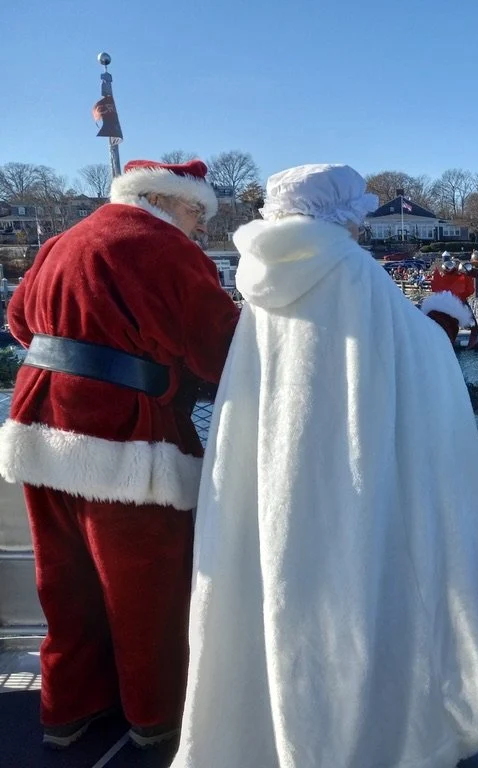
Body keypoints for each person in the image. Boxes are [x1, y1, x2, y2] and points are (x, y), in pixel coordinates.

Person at [171, 164, 478, 768]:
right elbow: (419, 354)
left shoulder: (258, 280)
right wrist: (446, 306)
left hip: (275, 475)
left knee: (274, 597)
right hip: (347, 477)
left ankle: (262, 738)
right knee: (349, 600)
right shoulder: (350, 271)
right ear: (338, 210)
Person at [0, 159, 240, 748]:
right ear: (167, 201)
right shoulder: (167, 250)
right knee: (146, 589)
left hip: (39, 427)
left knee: (65, 582)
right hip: (124, 441)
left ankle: (67, 710)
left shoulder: (62, 240)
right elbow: (222, 350)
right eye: (196, 214)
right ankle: (154, 715)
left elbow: (18, 322)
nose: (200, 229)